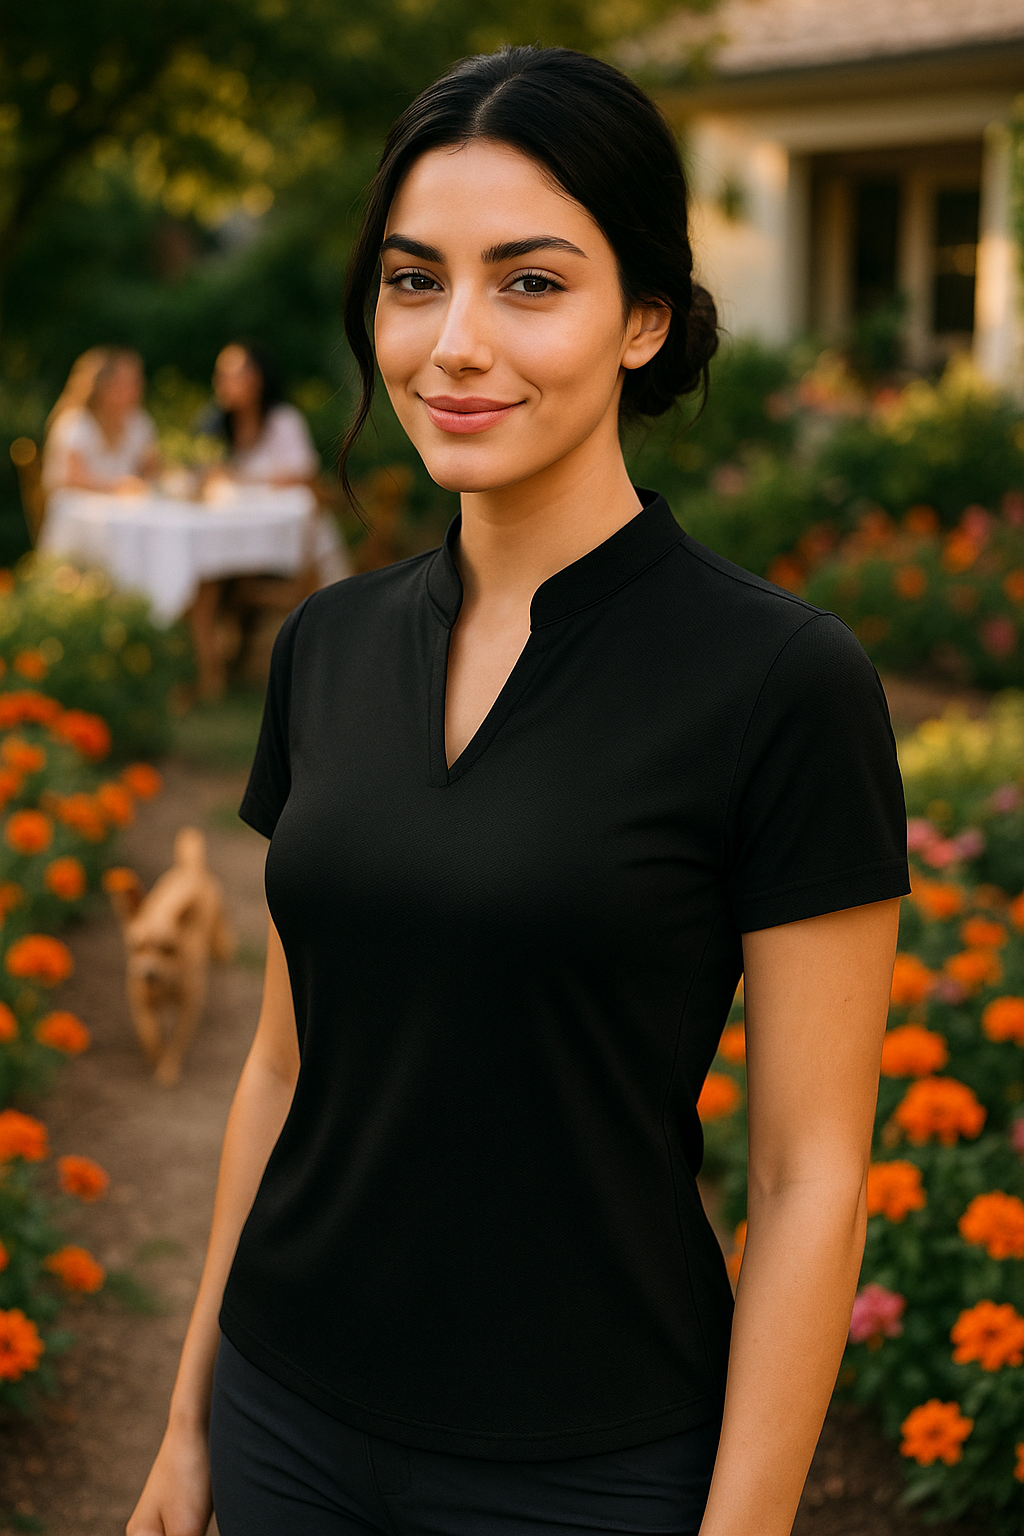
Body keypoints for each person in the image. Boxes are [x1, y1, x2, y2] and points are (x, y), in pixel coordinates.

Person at [128, 46, 908, 1536]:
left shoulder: (781, 684)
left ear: (647, 319)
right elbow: (286, 1070)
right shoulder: (329, 645)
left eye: (531, 283)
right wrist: (187, 1419)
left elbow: (812, 1176)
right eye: (416, 281)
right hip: (284, 1413)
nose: (454, 343)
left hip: (589, 1473)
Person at [41, 347, 159, 496]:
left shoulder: (138, 422)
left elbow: (151, 471)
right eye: (128, 383)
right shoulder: (75, 423)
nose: (138, 389)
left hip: (123, 513)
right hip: (78, 514)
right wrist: (117, 487)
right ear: (103, 386)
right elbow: (71, 480)